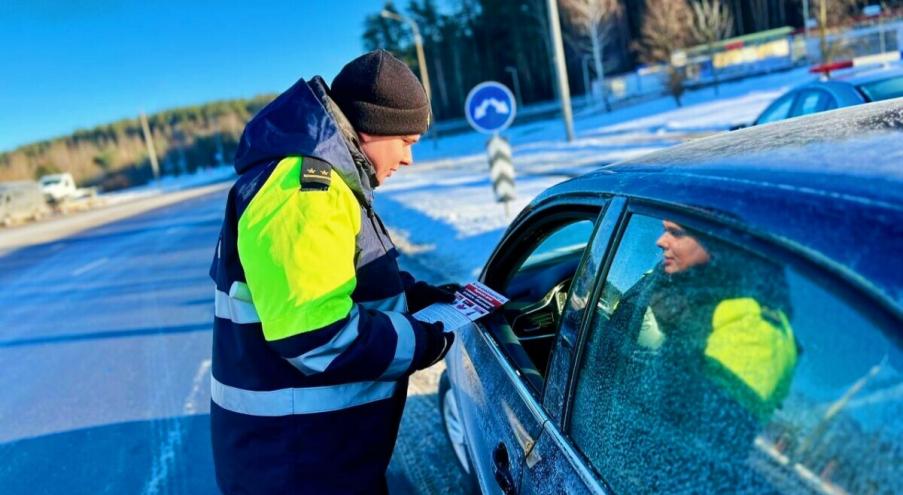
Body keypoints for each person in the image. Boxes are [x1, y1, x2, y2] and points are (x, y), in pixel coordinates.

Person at [208, 50, 458, 495]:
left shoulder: (323, 181)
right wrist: (424, 342)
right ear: (372, 127)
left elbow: (338, 276)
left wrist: (415, 296)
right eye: (406, 141)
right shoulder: (304, 191)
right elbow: (318, 337)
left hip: (311, 455)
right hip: (298, 466)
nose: (408, 159)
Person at [579, 220, 799, 493]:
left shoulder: (758, 331)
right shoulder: (674, 284)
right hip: (608, 446)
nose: (661, 241)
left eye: (677, 233)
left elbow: (696, 448)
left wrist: (685, 327)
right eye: (664, 229)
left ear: (717, 241)